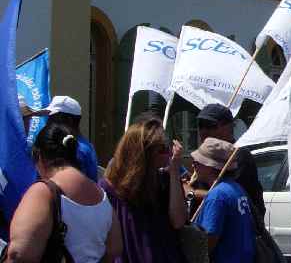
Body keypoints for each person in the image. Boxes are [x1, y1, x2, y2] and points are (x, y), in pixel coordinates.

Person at [6, 123, 123, 262]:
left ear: (39, 156)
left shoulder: (43, 192)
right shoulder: (101, 194)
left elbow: (19, 254)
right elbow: (115, 248)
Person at [99, 117, 188, 262]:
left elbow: (178, 221)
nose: (169, 154)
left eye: (168, 147)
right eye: (162, 149)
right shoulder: (110, 188)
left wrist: (174, 173)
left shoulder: (165, 180)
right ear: (142, 153)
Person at [189, 104, 265, 221]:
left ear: (228, 127)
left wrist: (192, 193)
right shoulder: (207, 154)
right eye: (200, 125)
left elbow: (228, 196)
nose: (203, 130)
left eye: (210, 125)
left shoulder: (238, 156)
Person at [191, 138, 256, 263]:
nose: (193, 165)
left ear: (210, 166)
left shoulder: (217, 195)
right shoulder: (236, 188)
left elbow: (208, 240)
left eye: (197, 161)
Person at [38, 96, 99, 182]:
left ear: (69, 120)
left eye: (53, 118)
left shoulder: (77, 149)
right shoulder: (87, 146)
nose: (48, 122)